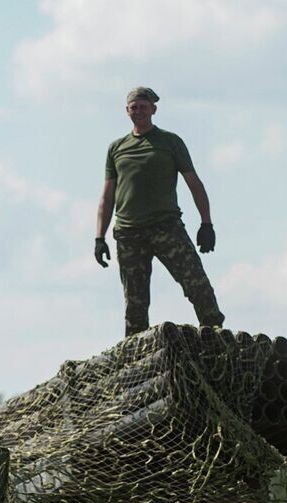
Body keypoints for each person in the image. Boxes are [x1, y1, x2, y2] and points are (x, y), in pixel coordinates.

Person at [94, 86, 225, 337]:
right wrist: (99, 238)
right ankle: (137, 361)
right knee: (135, 304)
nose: (139, 111)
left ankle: (216, 340)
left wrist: (206, 223)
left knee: (197, 285)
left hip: (166, 227)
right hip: (129, 233)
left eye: (144, 107)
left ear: (153, 109)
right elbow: (107, 196)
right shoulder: (116, 148)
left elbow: (194, 183)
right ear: (127, 111)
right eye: (134, 107)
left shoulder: (170, 142)